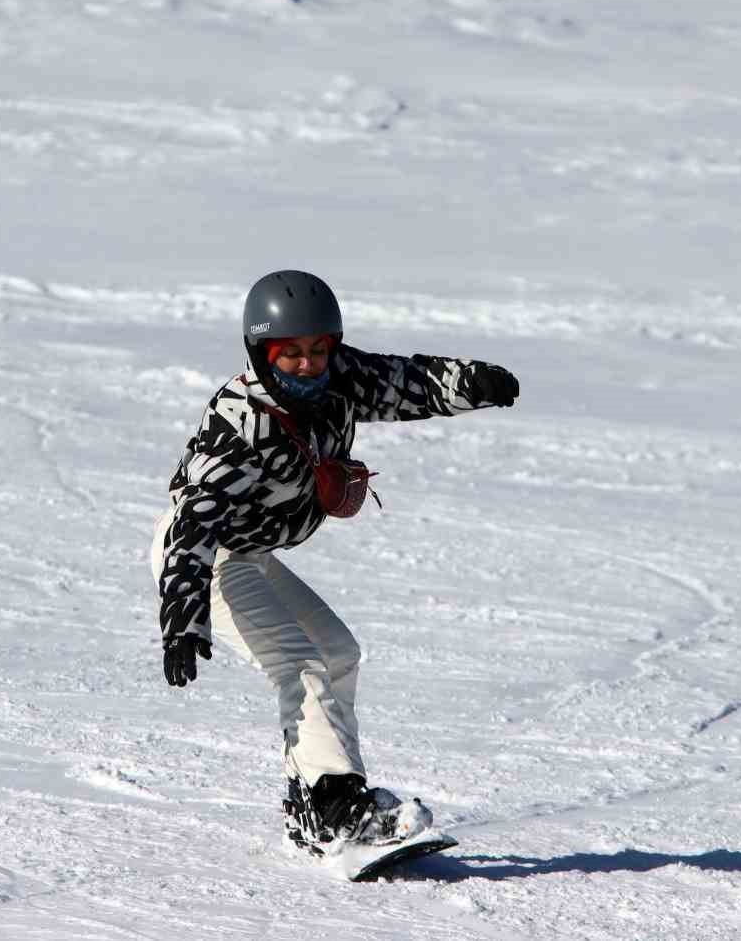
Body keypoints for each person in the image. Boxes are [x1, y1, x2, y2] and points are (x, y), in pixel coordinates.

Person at [149, 270, 520, 855]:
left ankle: (311, 806)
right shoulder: (240, 426)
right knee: (300, 664)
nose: (306, 364)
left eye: (318, 350)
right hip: (207, 559)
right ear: (260, 353)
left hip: (250, 554)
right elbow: (192, 525)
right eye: (290, 353)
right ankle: (339, 806)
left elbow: (407, 383)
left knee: (338, 652)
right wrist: (183, 620)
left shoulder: (337, 381)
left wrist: (472, 383)